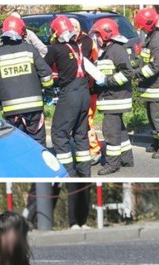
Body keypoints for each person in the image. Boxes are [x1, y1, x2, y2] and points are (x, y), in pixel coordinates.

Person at [0, 16, 53, 147]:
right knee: (38, 143)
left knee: (17, 144)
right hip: (34, 109)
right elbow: (46, 75)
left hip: (11, 111)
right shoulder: (30, 50)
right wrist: (49, 93)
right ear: (22, 32)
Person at [44, 16, 91, 177]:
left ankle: (68, 172)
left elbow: (43, 68)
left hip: (70, 94)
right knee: (80, 133)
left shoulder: (55, 49)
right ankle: (85, 172)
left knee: (59, 133)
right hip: (84, 92)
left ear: (56, 32)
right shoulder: (77, 46)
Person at [90, 19, 134, 176]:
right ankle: (126, 159)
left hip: (115, 98)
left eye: (97, 35)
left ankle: (112, 164)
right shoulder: (109, 50)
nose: (96, 39)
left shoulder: (116, 50)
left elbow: (128, 73)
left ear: (106, 34)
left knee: (110, 132)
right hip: (113, 97)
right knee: (120, 130)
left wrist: (106, 81)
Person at [133, 8, 159, 159]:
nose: (141, 29)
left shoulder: (158, 40)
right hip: (151, 86)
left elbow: (154, 67)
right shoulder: (151, 36)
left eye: (142, 26)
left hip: (157, 86)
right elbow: (146, 60)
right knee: (152, 117)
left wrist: (136, 73)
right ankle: (157, 142)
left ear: (149, 24)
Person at [69, 17, 102, 166]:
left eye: (76, 27)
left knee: (87, 121)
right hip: (75, 90)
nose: (73, 29)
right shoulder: (66, 41)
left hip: (89, 89)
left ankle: (94, 150)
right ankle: (84, 150)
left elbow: (94, 62)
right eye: (71, 27)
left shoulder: (87, 41)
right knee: (79, 123)